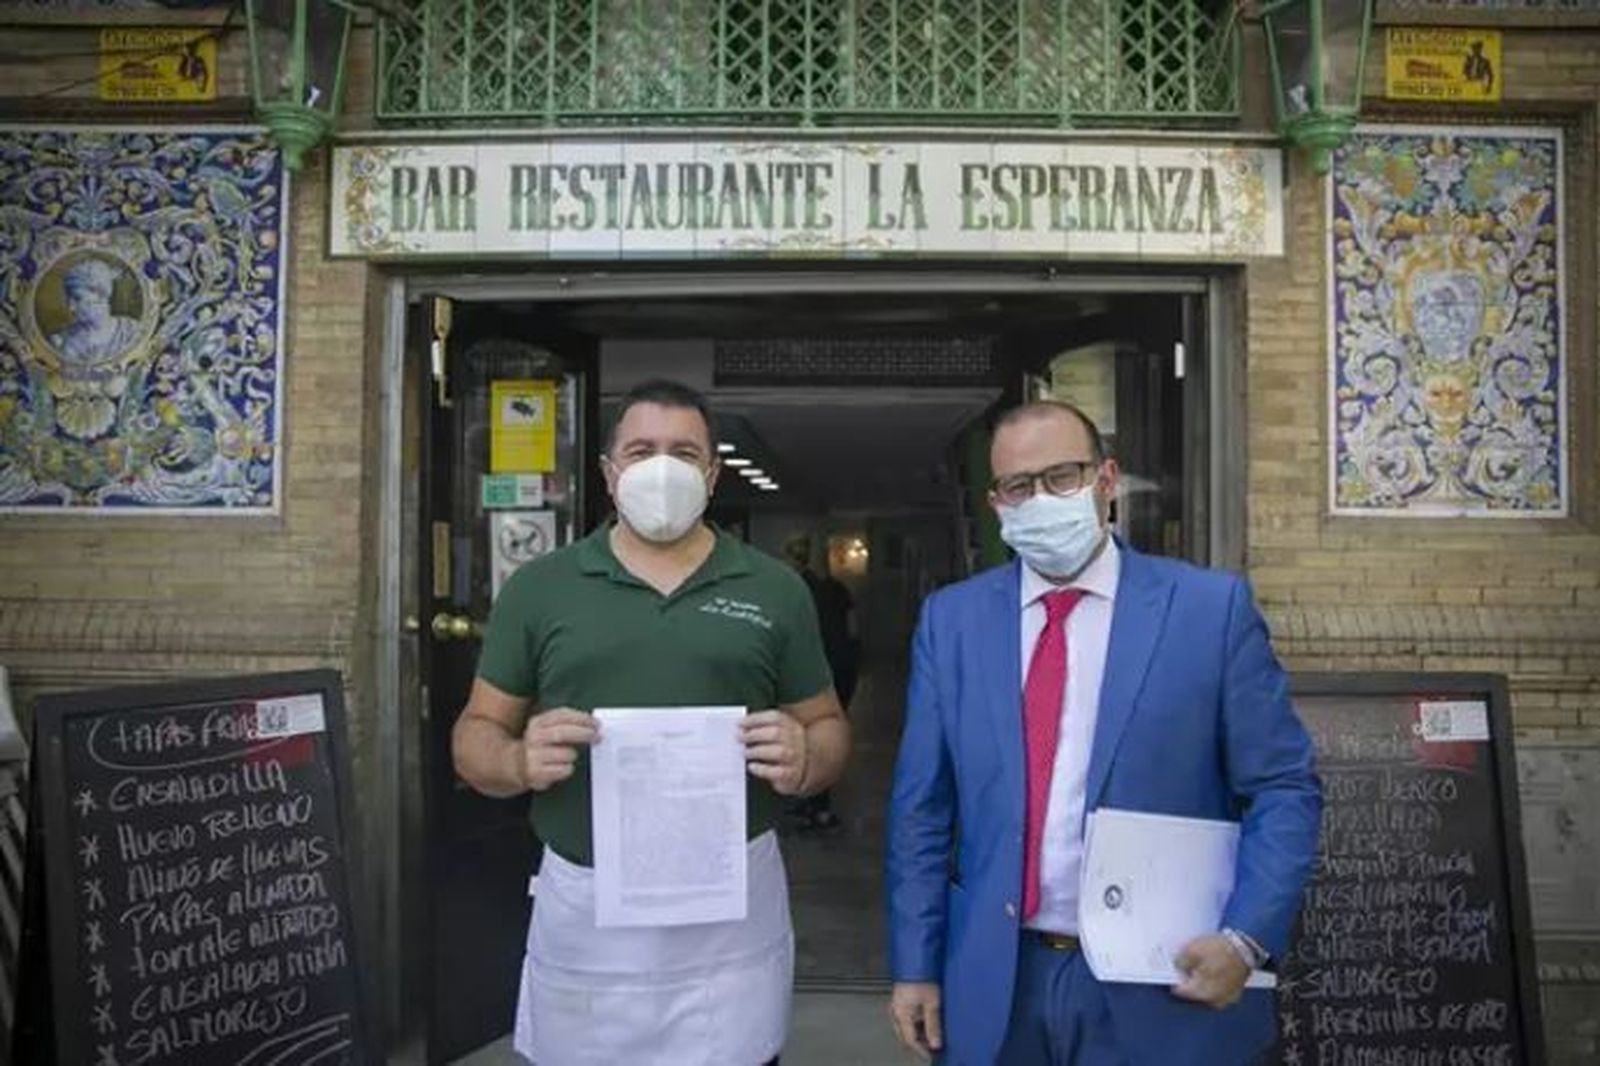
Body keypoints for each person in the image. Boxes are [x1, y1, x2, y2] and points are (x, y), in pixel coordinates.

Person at [885, 401, 1320, 1066]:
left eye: (1062, 476)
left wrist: (1245, 939)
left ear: (1106, 480)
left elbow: (1283, 788)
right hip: (1001, 980)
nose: (1041, 500)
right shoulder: (953, 623)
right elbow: (922, 809)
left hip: (1163, 977)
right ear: (997, 503)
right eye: (1018, 487)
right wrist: (916, 963)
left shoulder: (1208, 611)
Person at [453, 379, 851, 1065]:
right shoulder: (541, 587)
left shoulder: (772, 588)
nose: (661, 469)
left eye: (683, 452)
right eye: (641, 451)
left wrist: (806, 759)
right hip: (590, 906)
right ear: (610, 473)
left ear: (712, 472)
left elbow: (828, 725)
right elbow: (475, 733)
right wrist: (515, 762)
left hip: (729, 908)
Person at [782, 533, 858, 830]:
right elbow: (854, 631)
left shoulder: (785, 591)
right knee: (825, 732)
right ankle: (817, 804)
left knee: (804, 734)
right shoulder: (837, 589)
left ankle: (807, 801)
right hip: (840, 669)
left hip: (807, 675)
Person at [47, 258, 141, 365]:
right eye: (69, 300)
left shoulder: (131, 331)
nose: (71, 307)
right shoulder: (60, 341)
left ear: (101, 296)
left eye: (77, 298)